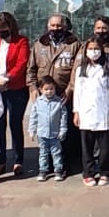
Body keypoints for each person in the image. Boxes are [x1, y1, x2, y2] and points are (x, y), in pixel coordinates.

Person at [72, 16, 109, 175]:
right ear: (94, 29)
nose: (101, 31)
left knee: (108, 133)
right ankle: (93, 163)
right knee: (90, 134)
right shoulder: (85, 48)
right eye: (98, 28)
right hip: (89, 101)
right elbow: (77, 75)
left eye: (104, 28)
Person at [28, 13, 82, 172]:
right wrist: (32, 87)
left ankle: (64, 164)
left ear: (65, 27)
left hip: (64, 94)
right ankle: (47, 164)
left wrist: (70, 89)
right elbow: (31, 69)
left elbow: (76, 70)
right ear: (48, 26)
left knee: (64, 130)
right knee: (46, 128)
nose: (56, 29)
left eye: (59, 26)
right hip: (44, 96)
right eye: (53, 25)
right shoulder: (39, 45)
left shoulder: (74, 44)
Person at [0, 12, 31, 175]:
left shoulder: (21, 41)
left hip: (16, 88)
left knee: (15, 124)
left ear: (10, 27)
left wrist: (7, 79)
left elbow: (22, 62)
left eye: (2, 29)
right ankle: (0, 160)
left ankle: (18, 160)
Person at [73, 37, 109, 186]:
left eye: (96, 49)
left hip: (103, 111)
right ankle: (88, 172)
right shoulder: (81, 69)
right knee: (87, 146)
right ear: (86, 51)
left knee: (105, 147)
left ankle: (105, 172)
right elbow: (78, 92)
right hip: (86, 112)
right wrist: (76, 112)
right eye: (91, 49)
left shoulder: (108, 68)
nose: (94, 52)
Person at [29, 76, 68, 182]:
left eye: (51, 89)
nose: (49, 91)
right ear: (41, 90)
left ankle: (58, 170)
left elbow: (63, 118)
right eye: (46, 89)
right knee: (43, 153)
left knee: (56, 153)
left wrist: (63, 130)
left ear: (55, 88)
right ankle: (43, 171)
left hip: (55, 134)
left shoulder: (59, 102)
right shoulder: (38, 102)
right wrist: (32, 130)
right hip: (42, 134)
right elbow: (33, 117)